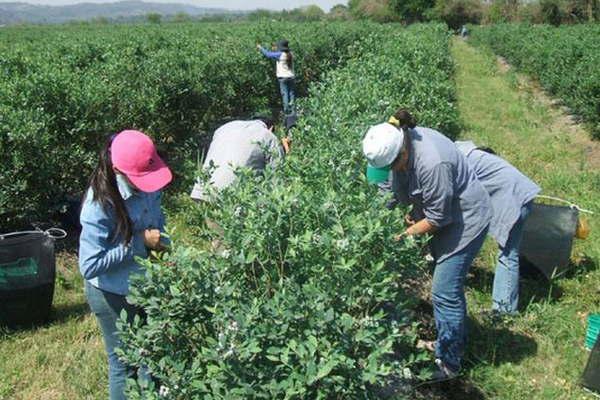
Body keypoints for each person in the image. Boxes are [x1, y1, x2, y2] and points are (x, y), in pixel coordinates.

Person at [362, 109, 492, 380]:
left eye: (391, 166)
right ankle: (445, 341)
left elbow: (438, 217)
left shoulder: (433, 162)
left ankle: (449, 363)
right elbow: (390, 191)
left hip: (465, 220)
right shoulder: (401, 143)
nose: (390, 172)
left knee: (444, 290)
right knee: (444, 285)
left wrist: (404, 234)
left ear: (403, 154)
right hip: (445, 214)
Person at [79, 130, 172, 400]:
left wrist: (165, 249)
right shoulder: (100, 203)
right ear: (119, 170)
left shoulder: (150, 182)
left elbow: (157, 219)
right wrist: (139, 243)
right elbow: (89, 265)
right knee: (125, 366)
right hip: (112, 293)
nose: (149, 186)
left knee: (154, 357)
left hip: (145, 284)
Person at [455, 141, 540, 316]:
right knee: (508, 251)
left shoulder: (456, 162)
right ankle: (505, 306)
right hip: (516, 191)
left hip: (514, 196)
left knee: (508, 253)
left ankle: (505, 310)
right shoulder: (461, 152)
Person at [190, 117, 287, 201]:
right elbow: (277, 175)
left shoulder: (226, 127)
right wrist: (283, 151)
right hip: (233, 197)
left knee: (213, 220)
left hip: (202, 191)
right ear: (271, 128)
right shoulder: (267, 135)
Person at [257, 40, 296, 116]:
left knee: (285, 94)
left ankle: (287, 112)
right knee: (291, 94)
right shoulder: (290, 54)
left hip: (283, 78)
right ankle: (293, 111)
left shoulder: (279, 54)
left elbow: (268, 54)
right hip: (291, 77)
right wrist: (275, 49)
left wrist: (260, 48)